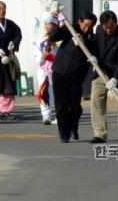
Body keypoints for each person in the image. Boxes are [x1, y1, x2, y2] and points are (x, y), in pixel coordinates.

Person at [50, 12, 97, 143]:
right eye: (85, 25)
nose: (87, 28)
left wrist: (84, 41)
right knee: (61, 105)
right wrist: (60, 25)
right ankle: (64, 134)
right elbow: (53, 37)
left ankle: (73, 126)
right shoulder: (70, 29)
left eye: (90, 26)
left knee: (75, 106)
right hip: (60, 73)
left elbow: (93, 49)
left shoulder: (91, 37)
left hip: (76, 77)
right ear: (79, 21)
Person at [89, 10, 118, 143]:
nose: (108, 31)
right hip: (101, 70)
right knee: (96, 100)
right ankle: (99, 133)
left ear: (116, 23)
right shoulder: (99, 29)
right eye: (105, 28)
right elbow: (95, 45)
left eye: (111, 27)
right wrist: (94, 57)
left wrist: (115, 78)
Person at [36, 14, 59, 126]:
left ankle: (60, 115)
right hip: (43, 69)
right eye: (45, 23)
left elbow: (61, 54)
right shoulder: (41, 38)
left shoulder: (59, 39)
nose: (47, 26)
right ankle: (46, 114)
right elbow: (36, 53)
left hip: (55, 69)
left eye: (49, 23)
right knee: (42, 92)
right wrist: (42, 56)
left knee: (55, 93)